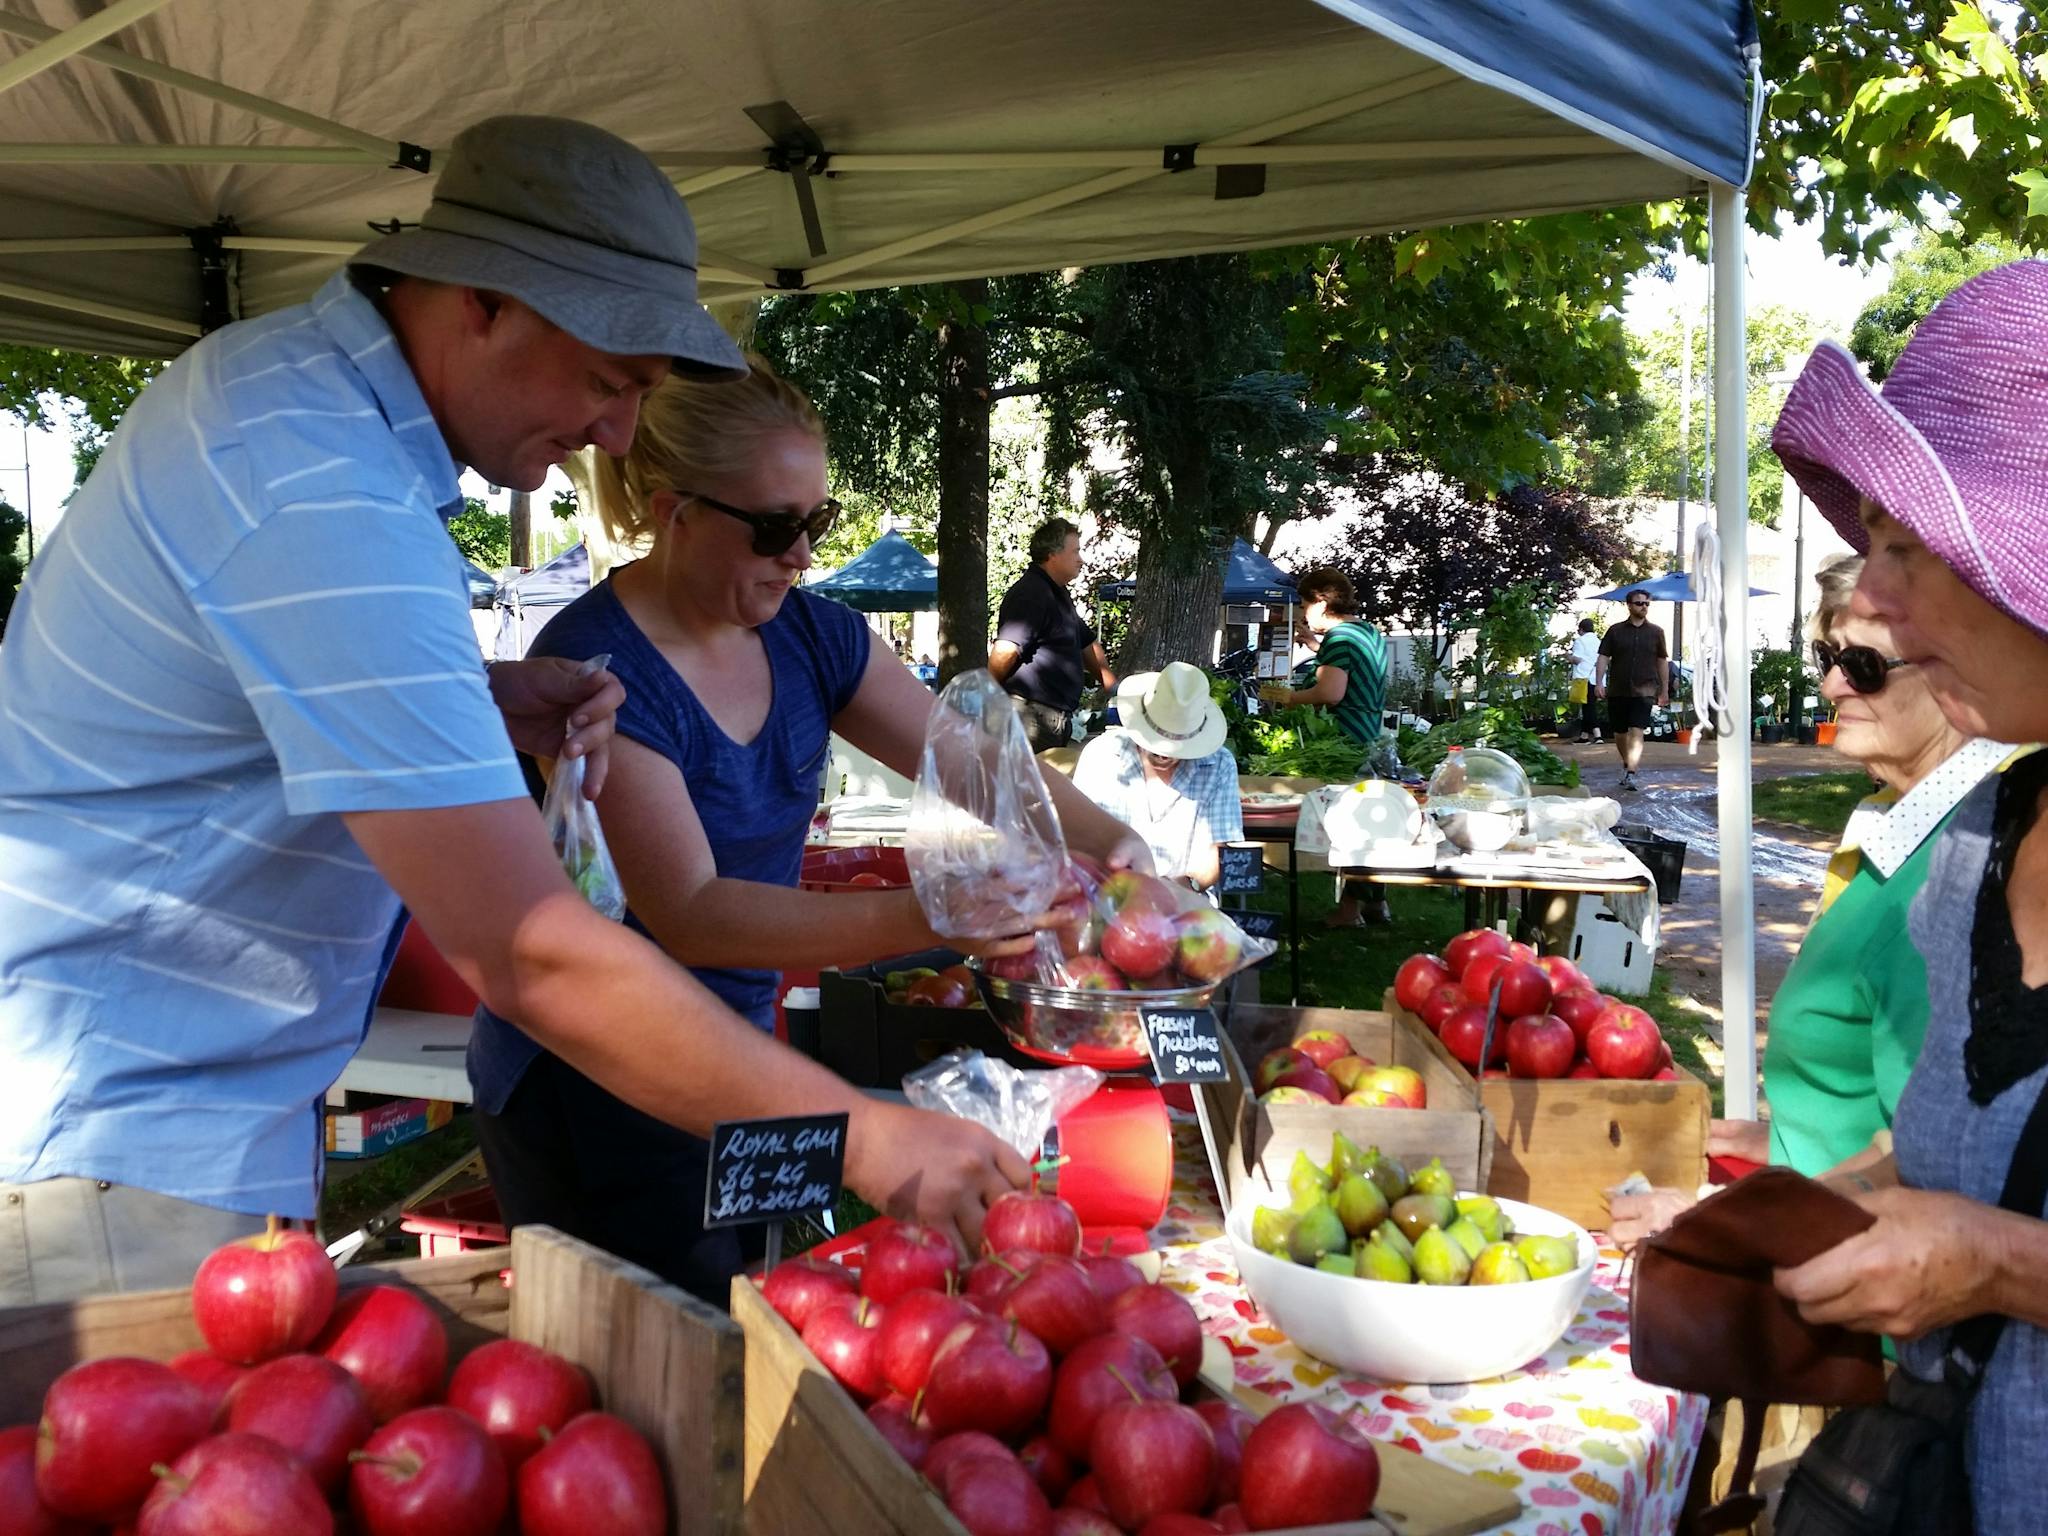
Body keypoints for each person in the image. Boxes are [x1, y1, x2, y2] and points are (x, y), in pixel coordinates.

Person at [0, 116, 1004, 1305]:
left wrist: (467, 699)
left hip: (151, 1117)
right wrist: (862, 1134)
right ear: (481, 300)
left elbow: (227, 705)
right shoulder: (322, 482)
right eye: (605, 380)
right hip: (114, 1136)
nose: (619, 435)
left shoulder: (286, 407)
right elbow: (528, 950)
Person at [469, 358, 1150, 1304]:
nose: (803, 555)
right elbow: (695, 914)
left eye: (818, 522)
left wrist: (1117, 843)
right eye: (778, 527)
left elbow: (974, 761)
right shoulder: (597, 666)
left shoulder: (811, 634)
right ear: (675, 512)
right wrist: (934, 915)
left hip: (739, 1055)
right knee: (645, 1362)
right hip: (597, 1076)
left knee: (740, 1315)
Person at [1762, 259, 2048, 1530]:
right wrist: (1799, 1213)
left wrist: (1994, 1266)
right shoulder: (1976, 835)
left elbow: (1991, 1233)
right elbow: (1961, 1161)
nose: (1865, 603)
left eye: (1905, 547)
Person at [1608, 552, 2007, 1249]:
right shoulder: (1894, 821)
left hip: (1867, 1307)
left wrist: (1726, 1221)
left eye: (1865, 667)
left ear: (1957, 674)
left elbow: (1935, 1161)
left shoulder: (1969, 860)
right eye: (1827, 655)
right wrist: (1788, 1141)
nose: (1829, 685)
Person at [1260, 565, 1390, 926]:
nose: (1303, 613)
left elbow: (1332, 692)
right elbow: (1350, 666)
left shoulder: (1341, 638)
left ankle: (1349, 911)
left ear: (1320, 603)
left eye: (1304, 605)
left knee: (1352, 823)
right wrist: (1315, 646)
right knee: (1371, 819)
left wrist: (1289, 698)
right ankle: (1376, 904)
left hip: (1349, 734)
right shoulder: (1365, 631)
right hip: (1371, 731)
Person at [1072, 662, 1243, 890]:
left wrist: (1181, 888)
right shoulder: (1101, 754)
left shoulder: (1219, 764)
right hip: (1105, 895)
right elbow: (1078, 837)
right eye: (1157, 740)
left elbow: (1217, 850)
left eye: (1177, 744)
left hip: (1184, 900)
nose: (1163, 754)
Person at [989, 518, 1117, 751]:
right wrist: (987, 690)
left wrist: (1115, 688)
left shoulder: (1058, 594)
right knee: (1030, 788)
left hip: (1049, 719)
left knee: (1045, 787)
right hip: (1030, 718)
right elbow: (1006, 649)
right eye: (1076, 551)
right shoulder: (1031, 593)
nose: (1081, 559)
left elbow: (1086, 642)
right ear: (1052, 554)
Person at [1593, 589, 1668, 791]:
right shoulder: (1615, 631)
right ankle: (1627, 763)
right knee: (1619, 733)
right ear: (1629, 605)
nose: (1643, 607)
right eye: (1639, 603)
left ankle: (1632, 772)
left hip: (1645, 690)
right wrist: (1599, 682)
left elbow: (1662, 661)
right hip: (1618, 689)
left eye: (1646, 604)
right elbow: (1603, 657)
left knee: (1637, 730)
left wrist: (1664, 689)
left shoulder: (1656, 632)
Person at [1568, 617, 1602, 743]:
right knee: (1588, 706)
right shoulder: (1598, 641)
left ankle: (1598, 735)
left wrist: (1568, 657)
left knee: (1589, 707)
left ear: (1581, 629)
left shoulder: (1580, 641)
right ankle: (1584, 736)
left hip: (1584, 677)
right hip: (1597, 678)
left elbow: (1577, 659)